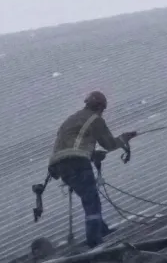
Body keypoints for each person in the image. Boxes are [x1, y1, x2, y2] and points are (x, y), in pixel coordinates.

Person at [47, 91, 136, 247]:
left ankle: (101, 229)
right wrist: (124, 138)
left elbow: (71, 143)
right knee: (91, 199)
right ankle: (94, 239)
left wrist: (92, 154)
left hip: (59, 165)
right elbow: (109, 144)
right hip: (77, 162)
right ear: (100, 107)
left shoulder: (71, 119)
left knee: (87, 196)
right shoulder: (95, 120)